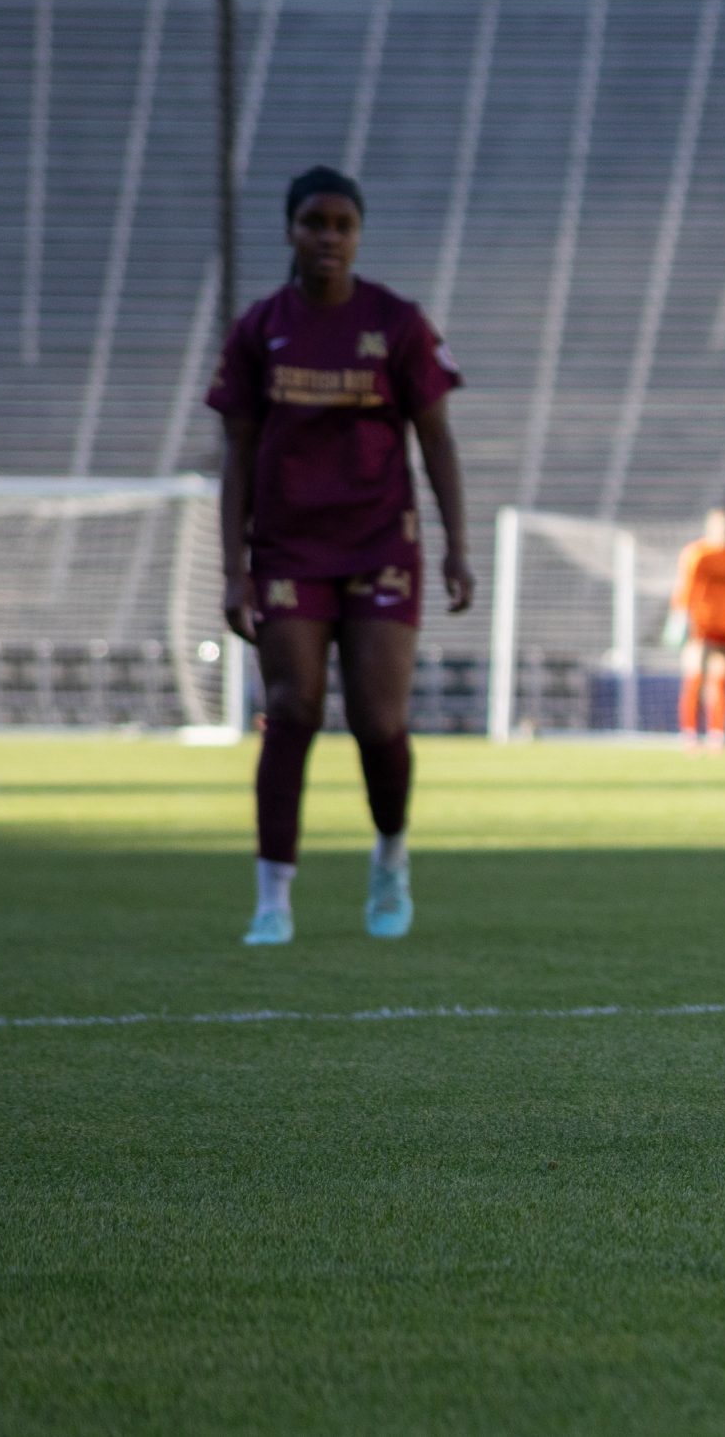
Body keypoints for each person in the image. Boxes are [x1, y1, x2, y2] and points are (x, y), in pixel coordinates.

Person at [209, 166, 471, 946]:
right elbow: (237, 456)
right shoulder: (261, 329)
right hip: (289, 547)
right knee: (291, 706)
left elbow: (437, 441)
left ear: (358, 234)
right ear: (290, 231)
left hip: (381, 541)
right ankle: (273, 898)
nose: (329, 237)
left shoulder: (396, 323)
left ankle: (390, 855)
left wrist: (458, 544)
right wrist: (233, 567)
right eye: (314, 223)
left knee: (378, 717)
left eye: (342, 224)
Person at [670, 508, 725, 752]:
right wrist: (679, 616)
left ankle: (717, 735)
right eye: (722, 527)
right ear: (710, 528)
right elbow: (685, 586)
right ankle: (690, 734)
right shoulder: (697, 554)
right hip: (701, 624)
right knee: (695, 677)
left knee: (723, 679)